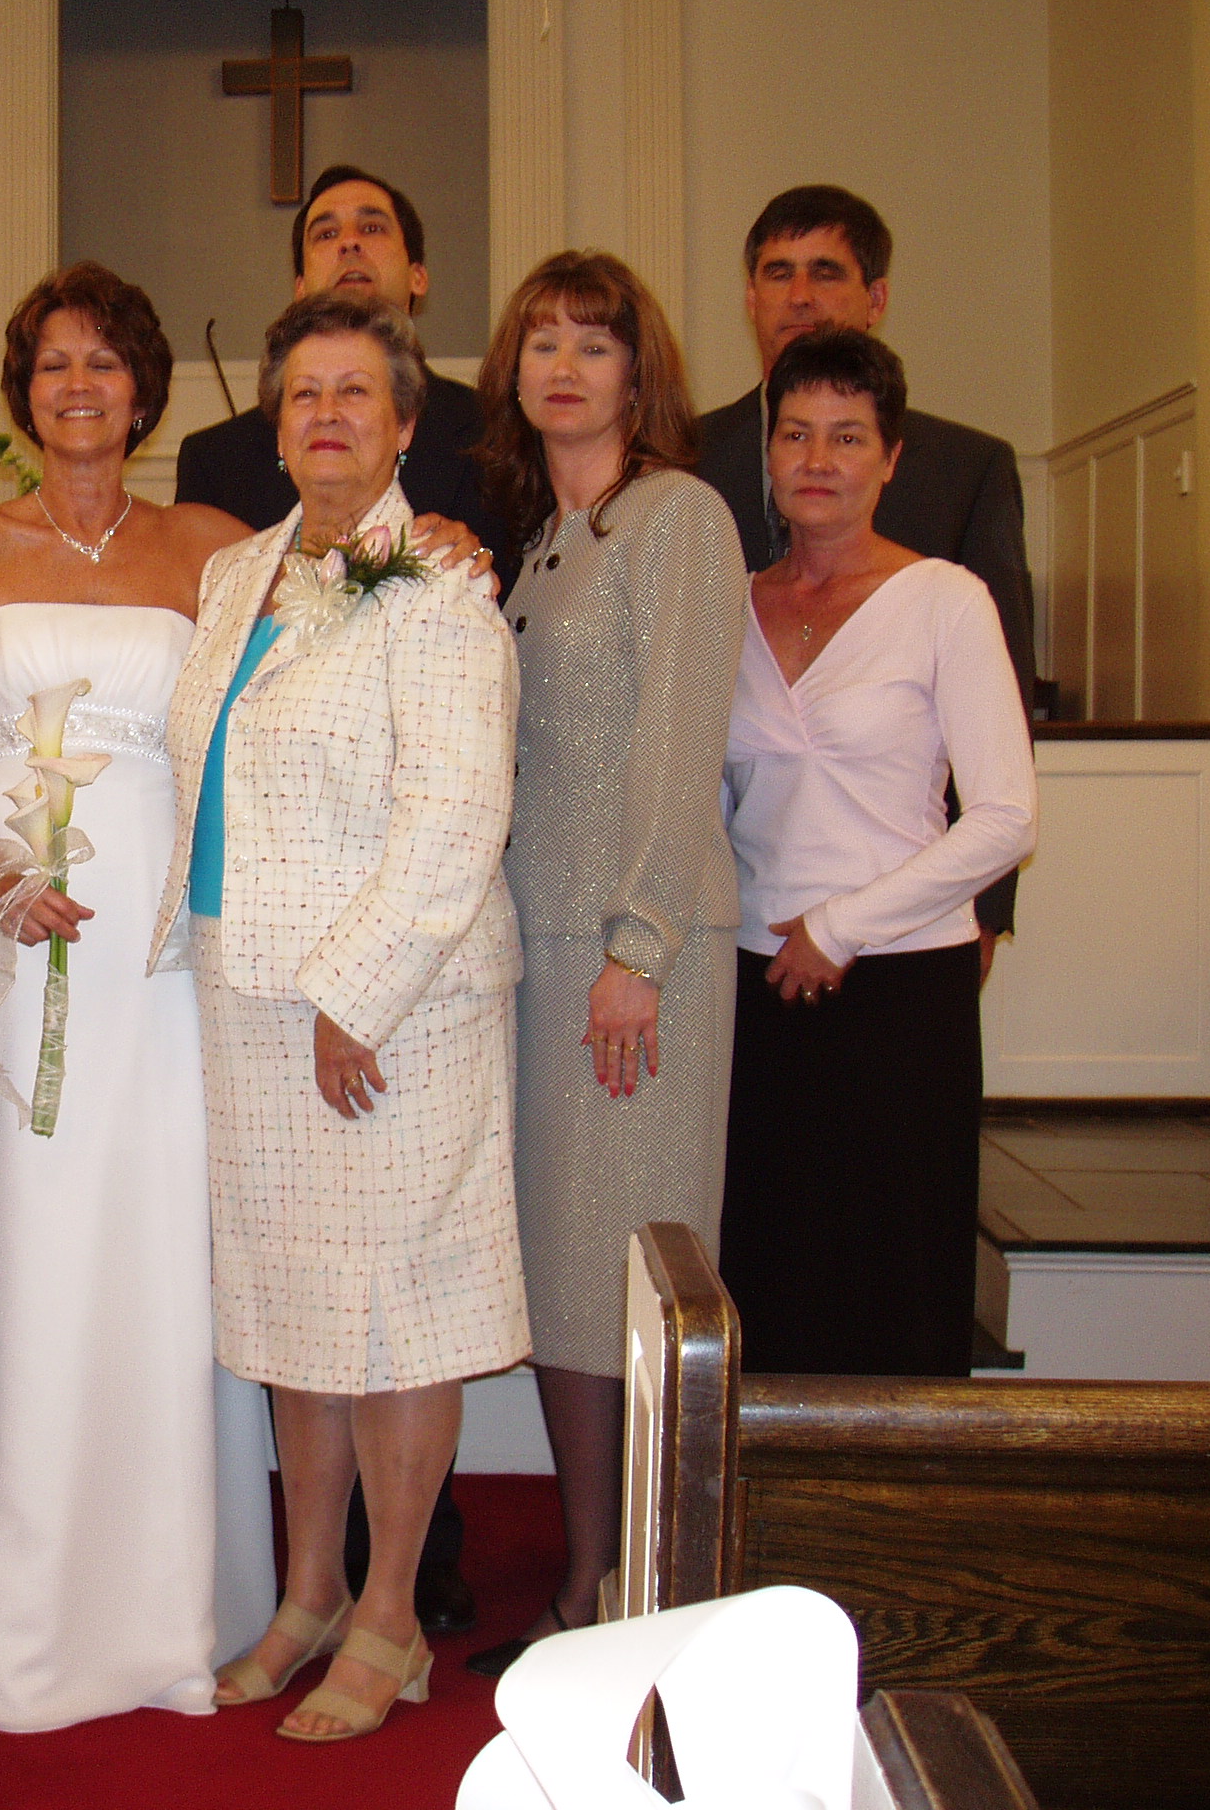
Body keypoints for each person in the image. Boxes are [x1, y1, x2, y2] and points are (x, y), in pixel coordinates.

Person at [0, 262, 274, 1731]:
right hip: (1, 920)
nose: (78, 386)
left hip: (155, 946)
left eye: (104, 361)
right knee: (19, 1225)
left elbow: (313, 659)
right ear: (22, 390)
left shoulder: (212, 544)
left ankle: (163, 1592)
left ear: (143, 388)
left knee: (150, 1227)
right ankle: (15, 1592)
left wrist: (436, 540)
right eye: (54, 363)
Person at [155, 291, 527, 1744]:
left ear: (405, 423)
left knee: (395, 1312)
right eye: (302, 393)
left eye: (355, 393)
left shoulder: (442, 588)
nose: (325, 416)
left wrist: (356, 993)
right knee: (287, 1309)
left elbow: (456, 816)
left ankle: (389, 1614)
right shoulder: (233, 573)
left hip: (390, 1013)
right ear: (272, 422)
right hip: (246, 998)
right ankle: (305, 1593)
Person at [466, 250, 745, 1680]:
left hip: (637, 956)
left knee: (629, 1278)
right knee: (569, 1284)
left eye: (594, 341)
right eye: (542, 342)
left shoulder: (676, 517)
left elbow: (679, 744)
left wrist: (636, 947)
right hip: (544, 953)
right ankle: (592, 1581)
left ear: (641, 373)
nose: (564, 366)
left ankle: (635, 1600)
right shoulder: (545, 542)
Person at [718, 329, 1036, 1376]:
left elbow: (1005, 817)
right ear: (767, 451)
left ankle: (897, 1491)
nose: (817, 459)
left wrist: (840, 926)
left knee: (892, 1287)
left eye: (847, 436)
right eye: (795, 433)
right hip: (756, 984)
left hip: (900, 988)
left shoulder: (945, 599)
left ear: (891, 458)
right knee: (767, 1279)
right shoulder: (729, 605)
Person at [695, 185, 1035, 974]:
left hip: (907, 929)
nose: (800, 296)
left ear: (875, 298)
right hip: (744, 930)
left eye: (825, 272)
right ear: (750, 297)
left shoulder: (964, 468)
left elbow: (1004, 709)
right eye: (778, 272)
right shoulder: (683, 458)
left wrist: (986, 912)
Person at [177, 162, 518, 597]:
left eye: (372, 228)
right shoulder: (217, 462)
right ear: (300, 286)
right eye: (326, 234)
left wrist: (476, 561)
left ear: (419, 275)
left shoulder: (495, 432)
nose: (350, 243)